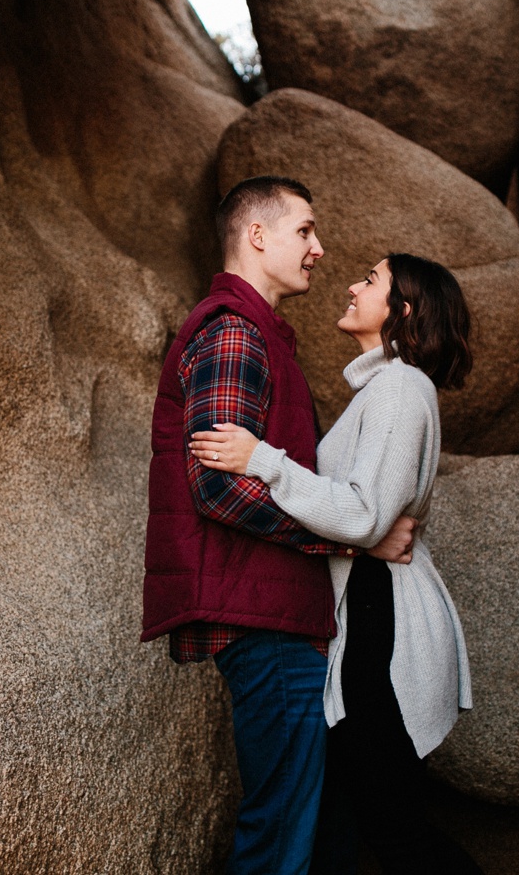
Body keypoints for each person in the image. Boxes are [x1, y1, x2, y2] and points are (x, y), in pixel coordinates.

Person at [140, 176, 416, 875]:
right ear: (257, 236)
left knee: (304, 826)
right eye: (305, 231)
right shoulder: (233, 332)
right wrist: (352, 535)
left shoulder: (260, 335)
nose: (319, 249)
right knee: (279, 837)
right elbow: (218, 490)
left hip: (275, 613)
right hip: (264, 620)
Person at [191, 253, 483, 875]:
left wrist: (263, 460)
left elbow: (363, 516)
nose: (353, 285)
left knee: (395, 831)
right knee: (364, 825)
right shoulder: (385, 390)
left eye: (370, 280)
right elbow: (365, 524)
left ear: (401, 311)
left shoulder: (402, 388)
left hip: (384, 627)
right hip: (367, 618)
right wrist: (361, 535)